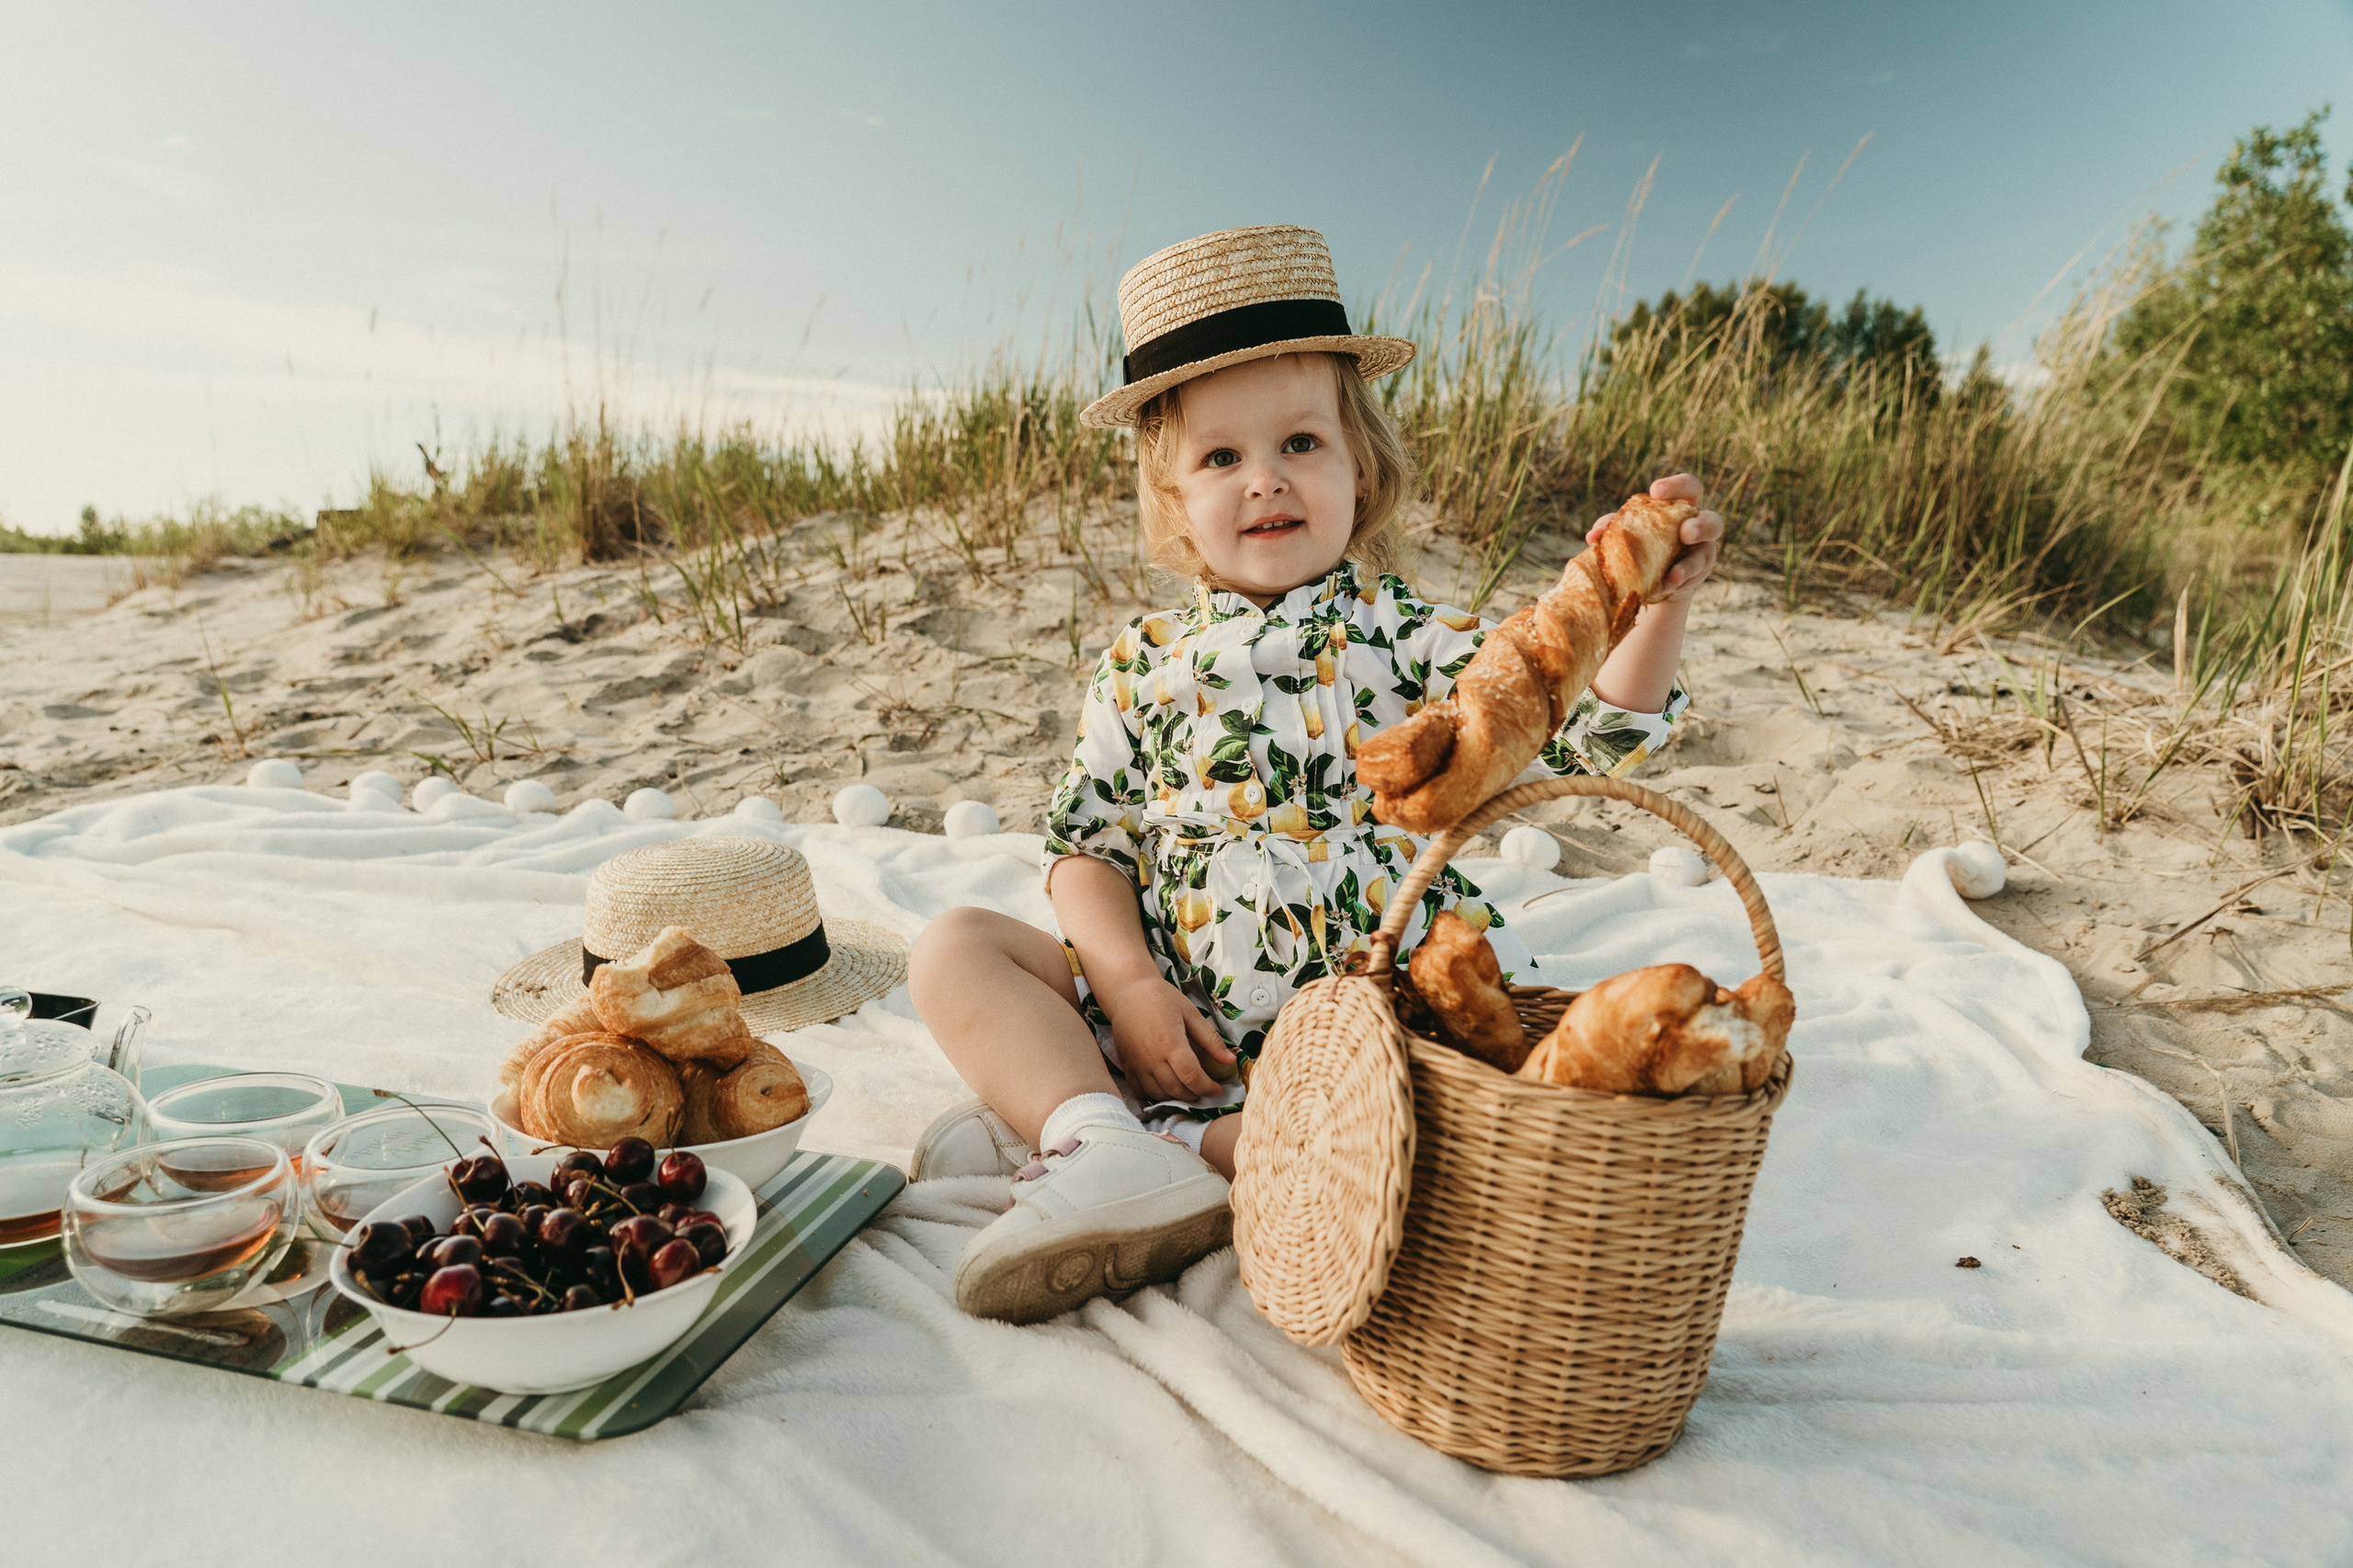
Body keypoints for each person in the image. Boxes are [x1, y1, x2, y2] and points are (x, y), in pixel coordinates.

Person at [907, 226, 1722, 1324]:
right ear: (1172, 493)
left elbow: (1585, 735)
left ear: (1359, 466)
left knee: (1451, 1106)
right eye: (1220, 458)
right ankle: (1109, 1132)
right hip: (1173, 1020)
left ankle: (1143, 1140)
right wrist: (1132, 988)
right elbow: (1086, 846)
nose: (1265, 479)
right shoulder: (1142, 660)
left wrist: (1653, 607)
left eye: (1300, 442)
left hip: (1358, 1016)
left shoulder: (1407, 635)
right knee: (956, 945)